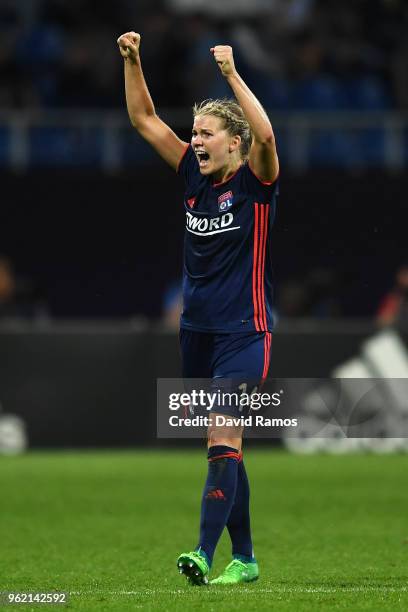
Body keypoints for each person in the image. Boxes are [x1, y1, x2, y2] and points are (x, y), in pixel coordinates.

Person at [117, 31, 279, 586]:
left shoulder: (257, 180)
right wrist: (135, 60)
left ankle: (203, 554)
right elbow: (144, 120)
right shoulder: (191, 173)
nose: (197, 141)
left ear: (234, 143)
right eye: (195, 134)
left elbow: (266, 132)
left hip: (244, 333)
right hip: (198, 334)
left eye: (207, 133)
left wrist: (232, 76)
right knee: (226, 448)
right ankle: (248, 558)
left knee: (221, 438)